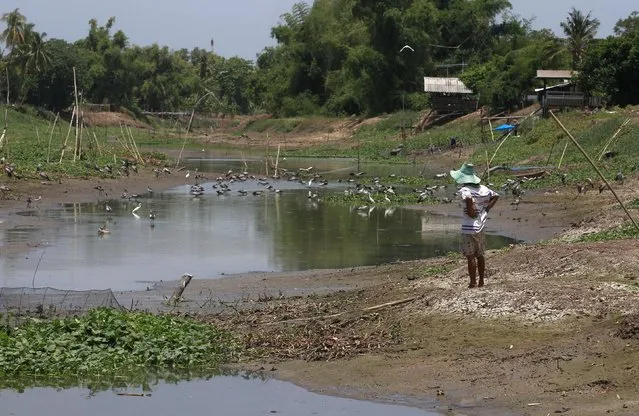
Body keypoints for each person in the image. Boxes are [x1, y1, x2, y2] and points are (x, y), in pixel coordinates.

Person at [449, 163, 499, 288]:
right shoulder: (484, 189)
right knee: (480, 254)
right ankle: (481, 281)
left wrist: (471, 212)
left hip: (468, 228)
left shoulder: (465, 190)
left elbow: (468, 199)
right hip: (480, 226)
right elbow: (496, 196)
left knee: (470, 256)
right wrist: (486, 210)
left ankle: (472, 282)